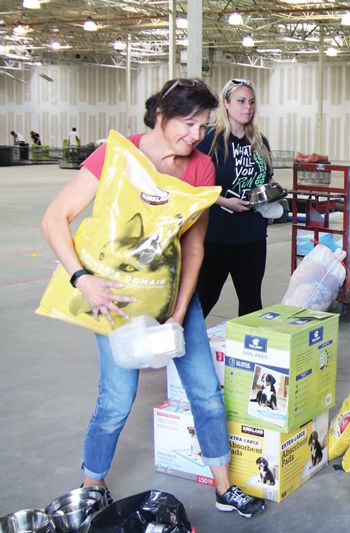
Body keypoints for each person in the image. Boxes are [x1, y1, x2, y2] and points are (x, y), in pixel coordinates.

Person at [40, 78, 265, 519]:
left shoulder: (201, 166)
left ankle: (224, 486)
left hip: (175, 298)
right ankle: (92, 485)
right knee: (116, 400)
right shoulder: (116, 155)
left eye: (203, 126)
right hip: (116, 300)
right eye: (188, 123)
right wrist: (82, 279)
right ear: (160, 115)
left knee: (205, 391)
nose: (196, 135)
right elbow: (55, 218)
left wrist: (180, 314)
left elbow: (195, 246)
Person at [196, 78, 273, 317]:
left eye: (251, 102)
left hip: (252, 236)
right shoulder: (209, 140)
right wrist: (223, 201)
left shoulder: (259, 142)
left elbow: (267, 178)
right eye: (241, 101)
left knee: (251, 301)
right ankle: (181, 350)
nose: (247, 107)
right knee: (204, 298)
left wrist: (270, 197)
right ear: (226, 104)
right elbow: (192, 184)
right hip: (217, 235)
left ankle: (249, 352)